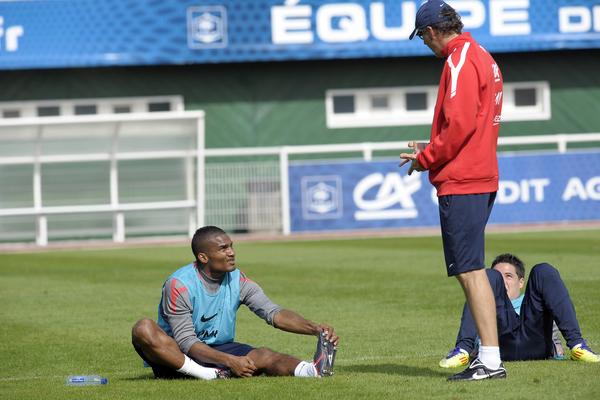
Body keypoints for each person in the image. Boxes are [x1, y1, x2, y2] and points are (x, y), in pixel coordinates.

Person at [400, 1, 505, 381]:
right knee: (471, 270)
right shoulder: (483, 55)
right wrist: (430, 147)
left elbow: (459, 126)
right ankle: (489, 358)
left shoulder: (458, 60)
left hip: (463, 180)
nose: (424, 44)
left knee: (471, 272)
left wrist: (425, 158)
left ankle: (490, 361)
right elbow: (470, 124)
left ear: (430, 31)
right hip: (480, 174)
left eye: (422, 37)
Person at [131, 226, 338, 380]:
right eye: (223, 249)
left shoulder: (238, 280)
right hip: (177, 356)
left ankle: (311, 371)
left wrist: (315, 329)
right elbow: (187, 342)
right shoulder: (180, 284)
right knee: (143, 328)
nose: (231, 252)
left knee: (265, 355)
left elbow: (273, 313)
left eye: (231, 246)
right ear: (203, 257)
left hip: (217, 348)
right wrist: (230, 361)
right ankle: (208, 374)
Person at [439, 253, 600, 368]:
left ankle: (577, 345)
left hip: (535, 342)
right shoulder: (487, 304)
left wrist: (557, 347)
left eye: (508, 276)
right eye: (499, 277)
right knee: (486, 274)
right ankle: (462, 350)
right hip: (498, 344)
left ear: (521, 282)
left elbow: (552, 326)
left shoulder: (535, 301)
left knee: (543, 270)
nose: (503, 281)